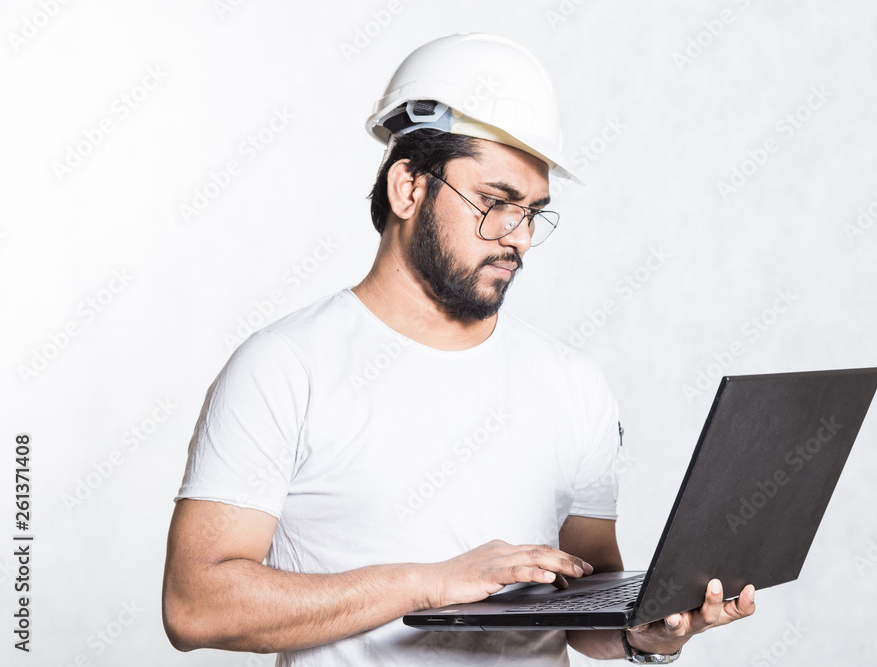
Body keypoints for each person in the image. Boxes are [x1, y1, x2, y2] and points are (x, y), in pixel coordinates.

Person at [162, 33, 755, 665]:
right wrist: (430, 583)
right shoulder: (284, 368)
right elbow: (197, 606)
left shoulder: (572, 383)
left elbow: (588, 608)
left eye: (532, 213)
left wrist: (647, 634)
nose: (518, 238)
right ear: (408, 188)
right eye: (496, 203)